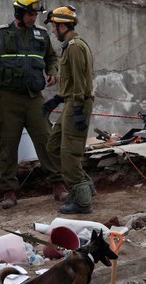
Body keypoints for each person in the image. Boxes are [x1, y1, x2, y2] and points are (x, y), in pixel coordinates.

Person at [0, 0, 67, 209]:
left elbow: (51, 58)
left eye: (35, 15)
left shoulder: (41, 34)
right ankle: (9, 191)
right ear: (19, 13)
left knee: (47, 139)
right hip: (8, 99)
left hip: (34, 97)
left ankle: (58, 184)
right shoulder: (0, 34)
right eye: (29, 14)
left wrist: (53, 71)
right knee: (8, 145)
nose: (33, 18)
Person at [43, 6, 96, 214]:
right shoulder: (70, 46)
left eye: (55, 27)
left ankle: (83, 202)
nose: (53, 31)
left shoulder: (74, 47)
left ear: (64, 26)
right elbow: (73, 81)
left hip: (77, 103)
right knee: (54, 145)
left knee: (69, 154)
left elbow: (81, 82)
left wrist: (78, 109)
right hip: (71, 101)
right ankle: (86, 187)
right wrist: (57, 99)